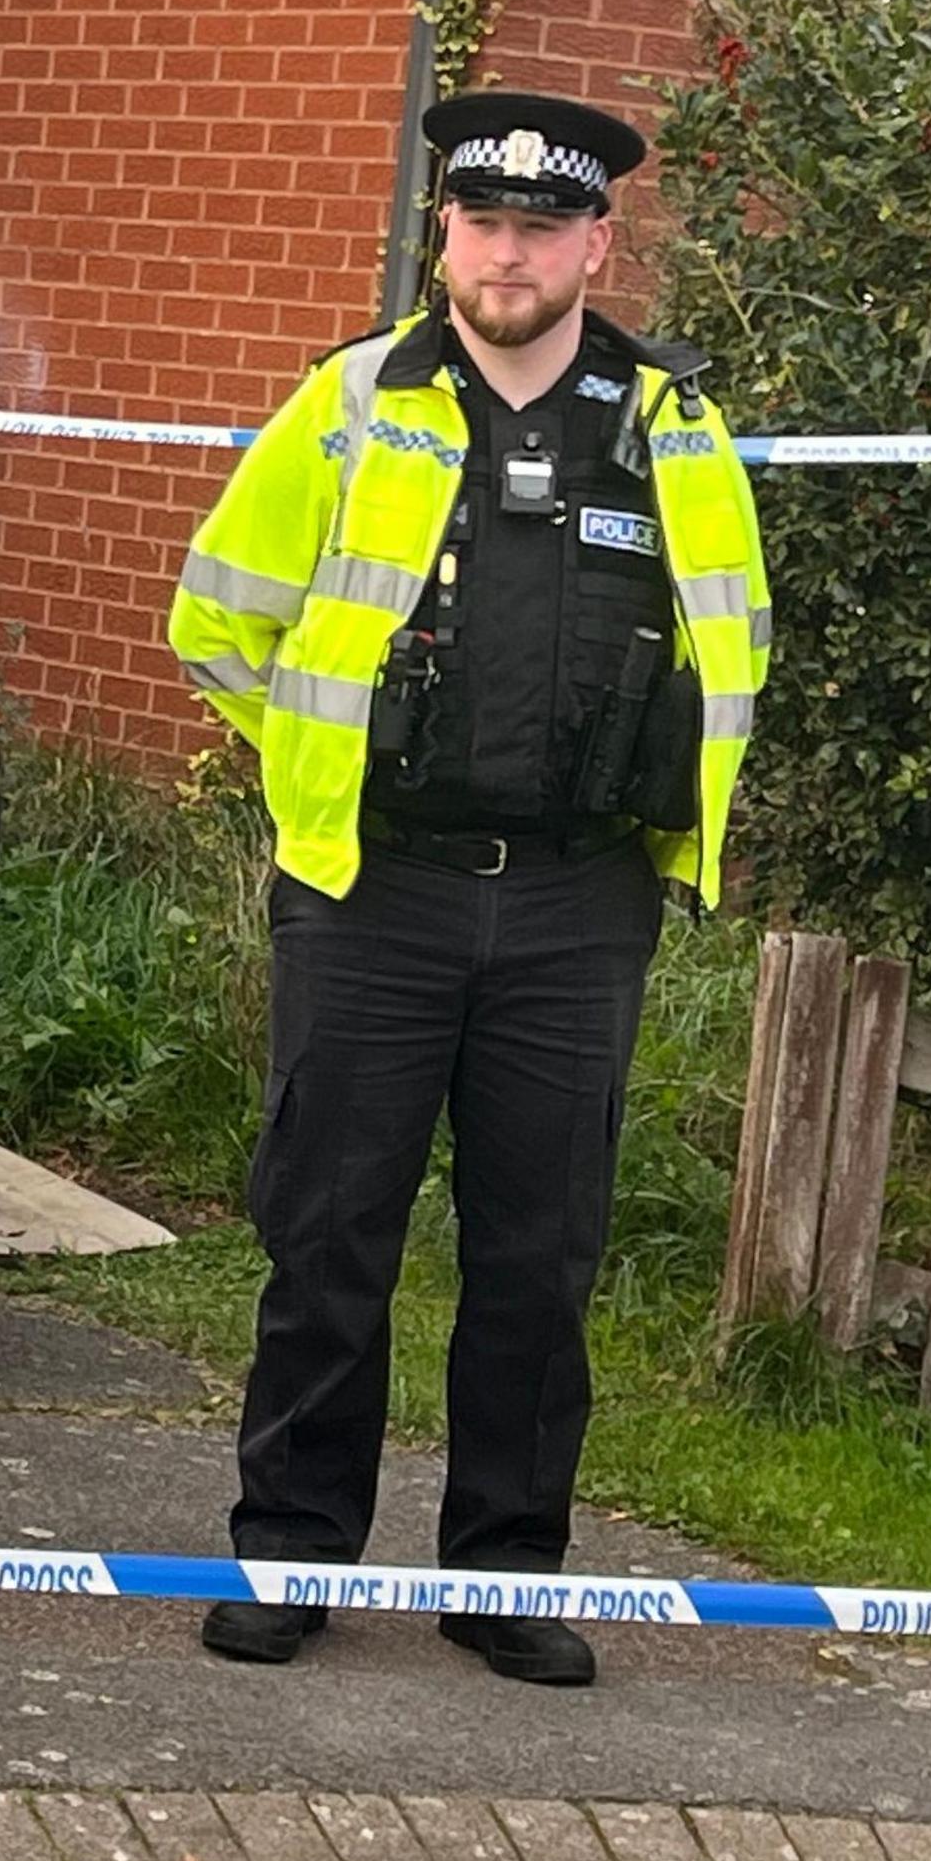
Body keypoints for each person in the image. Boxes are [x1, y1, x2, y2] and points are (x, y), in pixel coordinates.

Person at [164, 92, 773, 1686]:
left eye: (542, 227)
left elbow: (739, 642)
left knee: (539, 1256)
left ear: (596, 244)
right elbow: (218, 619)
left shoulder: (673, 425)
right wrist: (323, 763)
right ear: (446, 234)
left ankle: (506, 1572)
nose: (509, 253)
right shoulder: (354, 402)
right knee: (331, 1234)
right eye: (482, 223)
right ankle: (291, 1552)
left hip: (581, 905)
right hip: (380, 890)